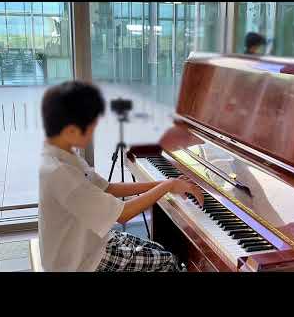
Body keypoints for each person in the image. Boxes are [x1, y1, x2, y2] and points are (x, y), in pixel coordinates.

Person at [39, 80, 204, 272]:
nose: (93, 132)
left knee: (158, 248)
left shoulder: (62, 155)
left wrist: (162, 183)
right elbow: (124, 215)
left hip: (88, 244)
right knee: (167, 262)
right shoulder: (61, 173)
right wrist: (167, 186)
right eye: (91, 126)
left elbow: (108, 188)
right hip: (79, 263)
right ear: (70, 129)